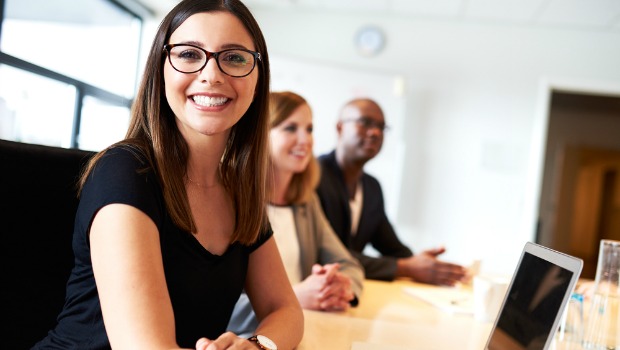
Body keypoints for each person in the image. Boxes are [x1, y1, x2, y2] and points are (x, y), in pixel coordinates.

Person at [32, 1, 303, 349]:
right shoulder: (125, 172)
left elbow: (286, 310)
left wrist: (257, 346)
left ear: (257, 78)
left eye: (234, 57)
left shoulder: (239, 190)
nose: (212, 74)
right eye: (189, 54)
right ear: (161, 69)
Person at [227, 91, 364, 337]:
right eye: (290, 128)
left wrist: (341, 289)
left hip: (297, 334)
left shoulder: (306, 203)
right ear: (260, 135)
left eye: (309, 129)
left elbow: (348, 265)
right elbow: (214, 303)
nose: (305, 140)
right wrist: (293, 298)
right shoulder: (229, 200)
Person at [316, 98, 467, 285]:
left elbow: (392, 247)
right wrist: (407, 267)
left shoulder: (372, 188)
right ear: (339, 128)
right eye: (365, 122)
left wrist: (422, 262)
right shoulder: (313, 176)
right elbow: (326, 254)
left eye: (381, 127)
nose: (376, 132)